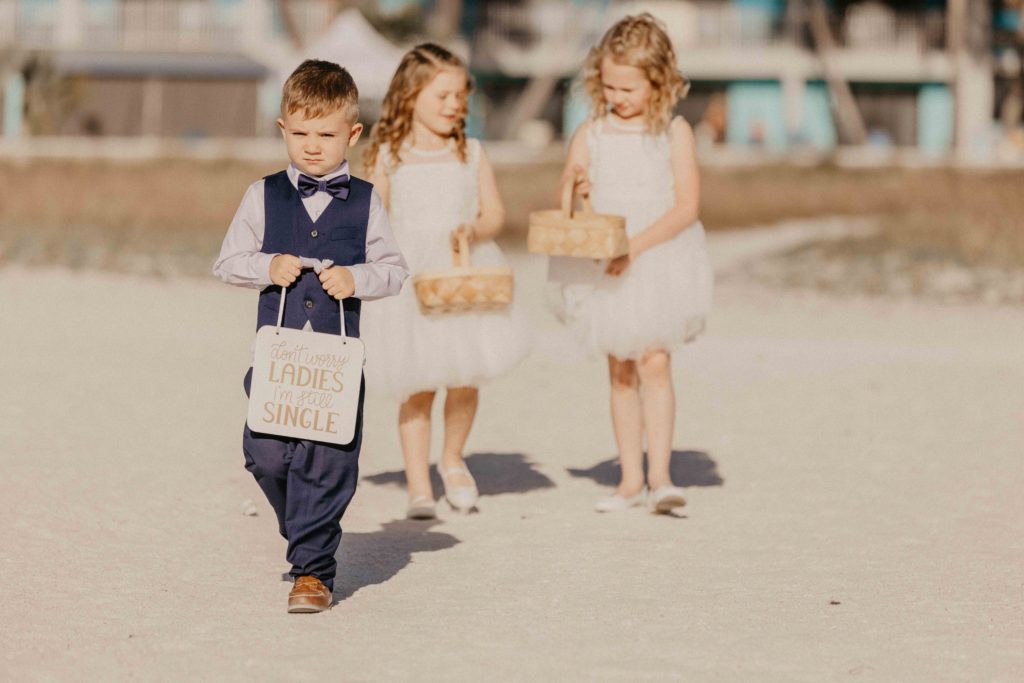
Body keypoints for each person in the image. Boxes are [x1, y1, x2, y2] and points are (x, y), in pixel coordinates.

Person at [213, 59, 409, 612]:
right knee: (266, 455)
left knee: (328, 461)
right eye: (300, 134)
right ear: (282, 129)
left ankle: (313, 572)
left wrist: (357, 278)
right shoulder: (263, 194)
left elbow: (393, 270)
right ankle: (306, 531)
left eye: (326, 134)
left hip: (335, 359)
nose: (313, 146)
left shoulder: (368, 202)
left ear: (352, 133)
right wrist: (266, 265)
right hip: (277, 356)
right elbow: (228, 261)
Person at [551, 13, 713, 514]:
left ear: (657, 81)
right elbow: (565, 208)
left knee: (655, 361)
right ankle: (629, 479)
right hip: (604, 261)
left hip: (655, 256)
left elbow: (686, 207)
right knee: (620, 367)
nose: (617, 96)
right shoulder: (591, 132)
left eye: (628, 87)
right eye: (609, 85)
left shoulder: (674, 132)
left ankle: (661, 476)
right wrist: (575, 192)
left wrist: (634, 248)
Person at [362, 44, 528, 520]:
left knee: (464, 377)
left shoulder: (471, 152)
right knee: (417, 384)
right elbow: (374, 217)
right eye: (443, 95)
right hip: (412, 283)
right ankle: (418, 484)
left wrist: (475, 229)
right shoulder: (390, 155)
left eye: (461, 95)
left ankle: (453, 458)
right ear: (410, 95)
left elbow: (494, 212)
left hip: (461, 277)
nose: (455, 104)